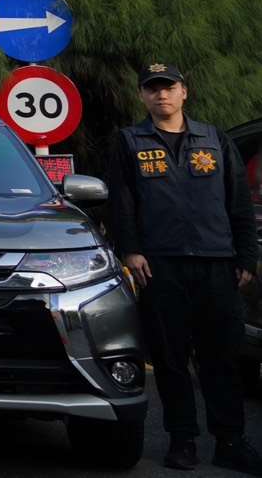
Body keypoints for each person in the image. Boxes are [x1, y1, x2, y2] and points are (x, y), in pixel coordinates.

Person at [107, 62, 262, 474]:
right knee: (171, 359)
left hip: (217, 266)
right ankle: (183, 440)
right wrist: (131, 251)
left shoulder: (214, 139)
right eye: (152, 88)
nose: (162, 95)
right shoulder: (128, 141)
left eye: (168, 87)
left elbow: (239, 205)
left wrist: (245, 257)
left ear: (184, 92)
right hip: (159, 267)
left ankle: (230, 441)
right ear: (142, 96)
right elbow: (122, 203)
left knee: (222, 359)